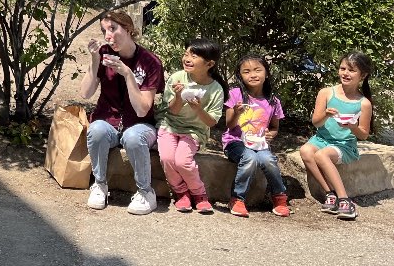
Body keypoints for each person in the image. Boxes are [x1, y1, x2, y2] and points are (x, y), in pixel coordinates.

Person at [81, 10, 165, 215]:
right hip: (108, 121)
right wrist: (94, 60)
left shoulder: (150, 62)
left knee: (133, 136)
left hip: (139, 124)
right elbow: (85, 93)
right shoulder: (103, 54)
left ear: (127, 29)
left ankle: (146, 192)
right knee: (97, 129)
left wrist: (127, 74)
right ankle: (100, 185)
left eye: (113, 29)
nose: (108, 36)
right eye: (104, 31)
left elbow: (142, 108)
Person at [299, 52, 375, 221]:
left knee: (321, 154)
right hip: (321, 139)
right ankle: (329, 194)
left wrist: (352, 126)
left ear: (362, 75)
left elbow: (363, 135)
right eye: (343, 68)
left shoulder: (363, 103)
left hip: (343, 145)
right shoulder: (326, 93)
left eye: (351, 70)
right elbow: (316, 123)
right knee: (305, 150)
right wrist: (325, 114)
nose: (345, 73)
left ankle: (345, 200)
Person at [156, 39, 226, 214]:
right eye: (186, 54)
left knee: (183, 160)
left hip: (195, 131)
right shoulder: (177, 78)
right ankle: (180, 192)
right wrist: (179, 96)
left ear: (209, 64)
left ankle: (199, 194)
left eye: (194, 56)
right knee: (167, 158)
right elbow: (172, 111)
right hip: (170, 126)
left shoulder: (216, 89)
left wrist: (198, 108)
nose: (187, 58)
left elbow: (211, 122)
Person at [223, 54, 289, 218]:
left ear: (266, 73)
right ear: (240, 76)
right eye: (246, 72)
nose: (252, 75)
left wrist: (270, 135)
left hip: (259, 144)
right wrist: (237, 113)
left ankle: (279, 197)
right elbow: (229, 125)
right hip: (235, 142)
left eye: (257, 70)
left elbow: (274, 128)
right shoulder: (235, 94)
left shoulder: (273, 101)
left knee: (268, 160)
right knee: (250, 158)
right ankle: (237, 198)